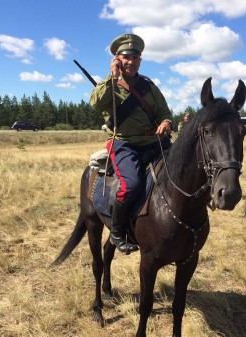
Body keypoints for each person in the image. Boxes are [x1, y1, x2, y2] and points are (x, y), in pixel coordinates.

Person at [89, 33, 173, 254]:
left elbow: (164, 112)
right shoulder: (109, 84)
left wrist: (166, 122)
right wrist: (112, 76)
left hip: (153, 141)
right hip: (124, 143)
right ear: (117, 59)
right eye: (126, 57)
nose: (131, 61)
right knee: (132, 185)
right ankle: (117, 231)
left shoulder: (149, 86)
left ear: (140, 60)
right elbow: (96, 104)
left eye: (136, 57)